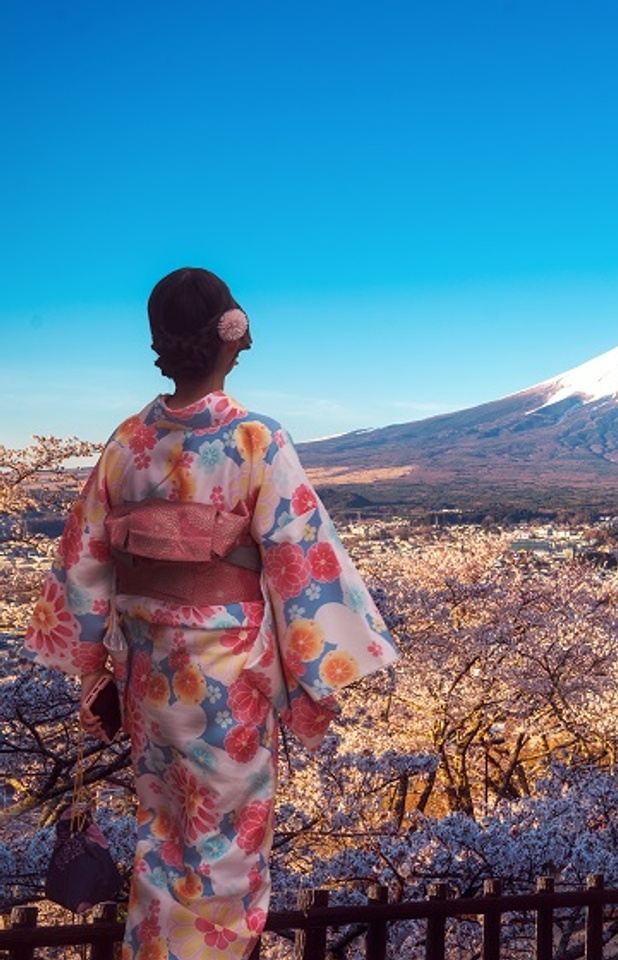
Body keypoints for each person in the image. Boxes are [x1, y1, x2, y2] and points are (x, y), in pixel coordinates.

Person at [23, 267, 400, 960]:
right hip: (228, 681)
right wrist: (318, 671)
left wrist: (92, 668)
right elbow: (299, 562)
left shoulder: (127, 443)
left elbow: (85, 561)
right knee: (222, 848)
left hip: (148, 673)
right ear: (234, 339)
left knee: (162, 835)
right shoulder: (256, 442)